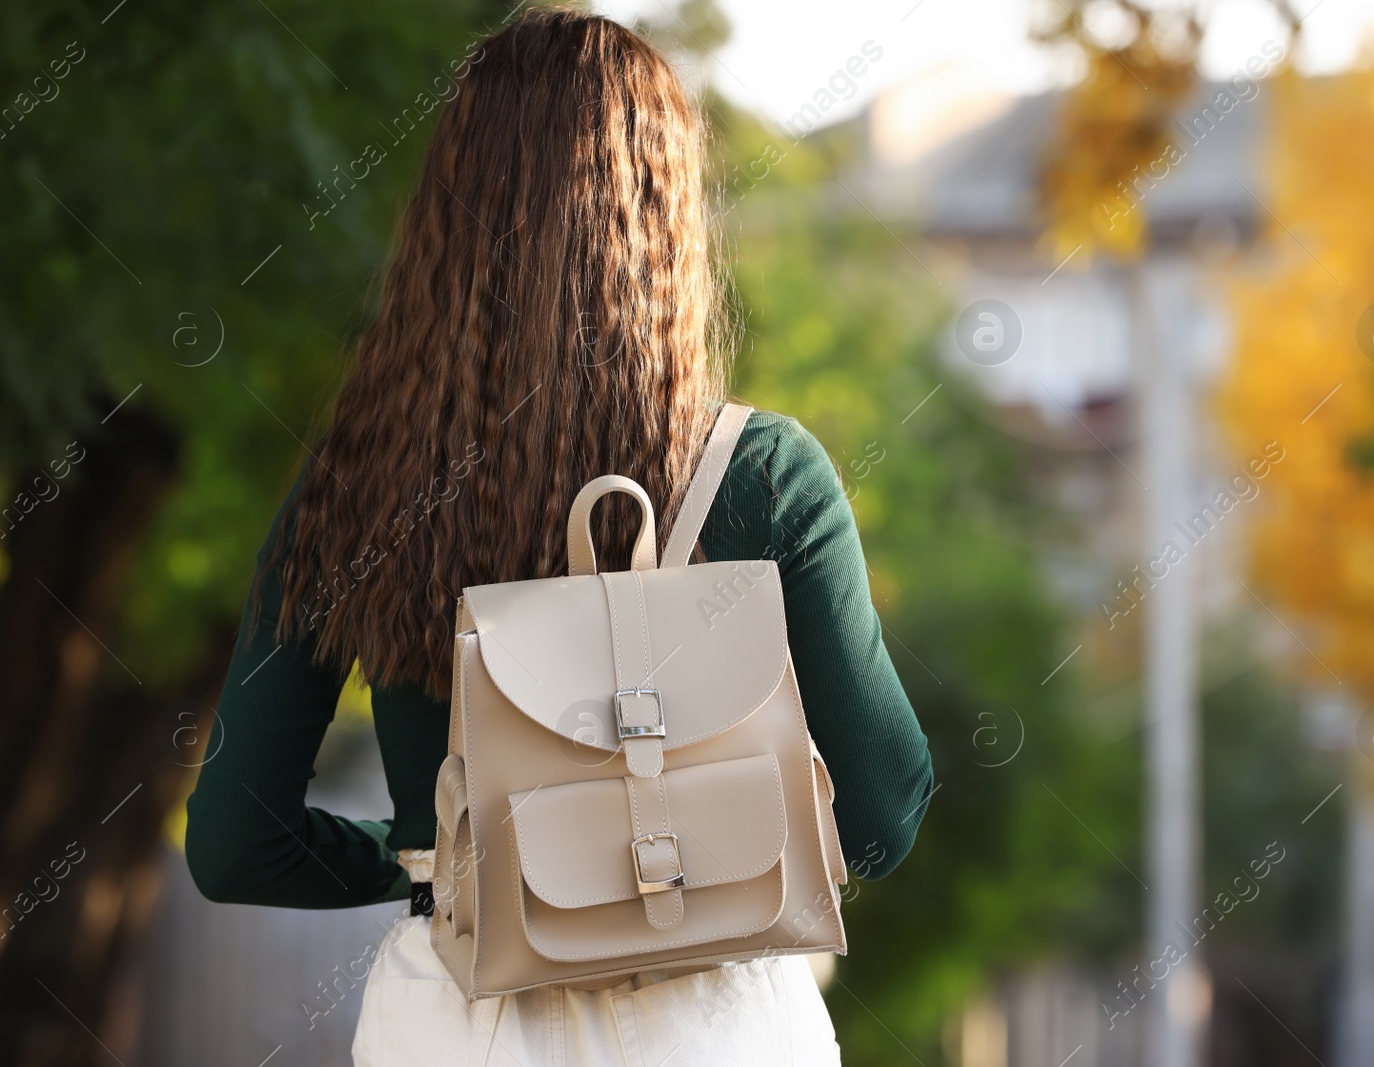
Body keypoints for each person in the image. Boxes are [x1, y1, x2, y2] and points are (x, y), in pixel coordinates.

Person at [184, 8, 934, 1065]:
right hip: (712, 1023)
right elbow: (881, 812)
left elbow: (234, 844)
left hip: (457, 1019)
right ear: (668, 216)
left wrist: (439, 858)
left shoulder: (352, 483)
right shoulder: (764, 476)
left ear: (448, 214)